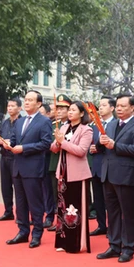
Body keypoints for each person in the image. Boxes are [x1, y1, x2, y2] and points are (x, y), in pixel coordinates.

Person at [95, 93, 134, 263]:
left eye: (123, 106)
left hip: (126, 175)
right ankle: (114, 245)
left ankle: (128, 248)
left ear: (132, 108)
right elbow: (102, 148)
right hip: (108, 173)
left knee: (128, 213)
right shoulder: (111, 125)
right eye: (117, 105)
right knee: (112, 212)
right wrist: (101, 142)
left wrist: (114, 145)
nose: (119, 109)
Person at [3, 90, 53, 248]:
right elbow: (13, 140)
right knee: (21, 203)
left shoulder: (44, 121)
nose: (26, 102)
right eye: (26, 100)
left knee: (35, 203)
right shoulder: (19, 121)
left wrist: (24, 148)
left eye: (30, 100)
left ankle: (37, 233)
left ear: (39, 104)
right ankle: (23, 231)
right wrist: (7, 144)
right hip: (17, 168)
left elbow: (45, 144)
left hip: (33, 168)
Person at [50, 101, 93, 253]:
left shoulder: (86, 130)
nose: (70, 112)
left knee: (74, 209)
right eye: (70, 110)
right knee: (62, 207)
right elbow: (54, 149)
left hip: (78, 174)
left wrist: (63, 142)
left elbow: (81, 151)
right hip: (62, 172)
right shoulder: (63, 127)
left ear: (82, 113)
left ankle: (75, 243)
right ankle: (63, 241)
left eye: (74, 110)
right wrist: (57, 141)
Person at [89, 95, 116, 236]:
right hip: (97, 166)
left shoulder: (116, 124)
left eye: (104, 105)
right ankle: (101, 225)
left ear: (112, 108)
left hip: (111, 167)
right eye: (99, 105)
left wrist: (99, 147)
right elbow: (90, 144)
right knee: (98, 199)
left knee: (111, 201)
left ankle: (113, 228)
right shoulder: (94, 126)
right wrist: (91, 149)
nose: (100, 107)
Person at [47, 95, 72, 231]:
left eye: (63, 108)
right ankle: (58, 222)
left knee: (67, 195)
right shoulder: (53, 125)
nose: (60, 111)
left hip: (68, 164)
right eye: (58, 108)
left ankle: (68, 221)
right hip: (54, 163)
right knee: (56, 194)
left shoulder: (73, 125)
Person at [0, 97, 22, 221]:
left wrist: (11, 142)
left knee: (18, 186)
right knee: (5, 185)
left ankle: (21, 213)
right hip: (4, 156)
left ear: (19, 108)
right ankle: (8, 211)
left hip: (16, 158)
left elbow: (23, 140)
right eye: (8, 106)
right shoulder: (5, 122)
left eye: (13, 106)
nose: (10, 108)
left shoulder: (22, 122)